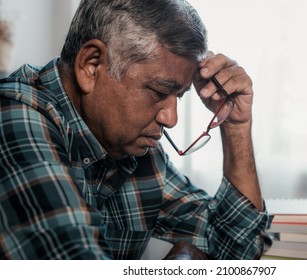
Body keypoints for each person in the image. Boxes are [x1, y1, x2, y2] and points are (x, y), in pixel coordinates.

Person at [0, 0, 272, 260]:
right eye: (159, 91)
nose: (171, 119)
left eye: (178, 96)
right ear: (91, 65)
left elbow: (236, 249)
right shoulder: (14, 114)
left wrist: (236, 126)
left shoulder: (134, 147)